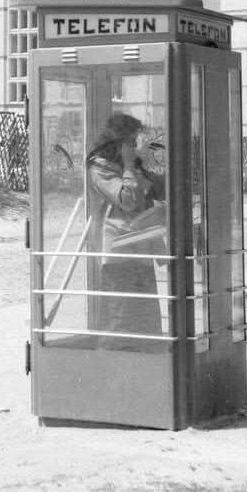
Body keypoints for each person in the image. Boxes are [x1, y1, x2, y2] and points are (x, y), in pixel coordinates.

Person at [86, 113, 167, 346]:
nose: (135, 147)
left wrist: (157, 162)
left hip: (141, 251)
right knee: (120, 321)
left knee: (147, 323)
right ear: (118, 143)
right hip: (119, 257)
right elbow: (128, 199)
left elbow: (157, 190)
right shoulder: (100, 168)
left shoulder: (130, 167)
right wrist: (130, 165)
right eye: (131, 143)